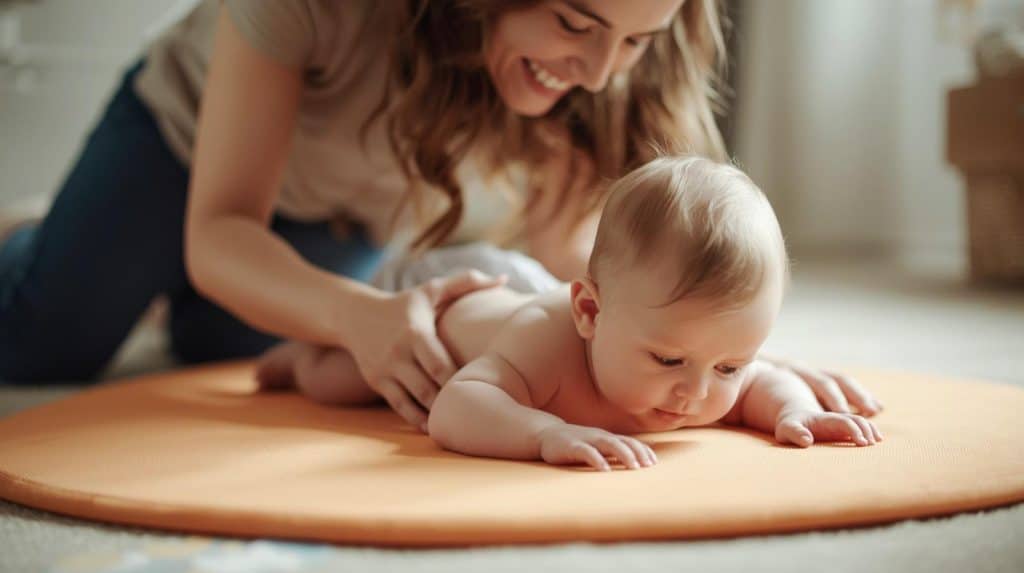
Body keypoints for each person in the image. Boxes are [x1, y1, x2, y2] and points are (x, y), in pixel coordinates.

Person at [0, 1, 879, 430]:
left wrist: (718, 354)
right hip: (189, 156)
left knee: (237, 349)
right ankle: (41, 236)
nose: (605, 70)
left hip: (343, 216)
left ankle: (164, 286)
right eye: (576, 20)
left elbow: (608, 268)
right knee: (48, 338)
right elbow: (221, 234)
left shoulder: (615, 45)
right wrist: (357, 313)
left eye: (638, 39)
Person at [255, 156, 883, 469]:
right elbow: (454, 407)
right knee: (344, 381)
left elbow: (763, 383)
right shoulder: (544, 344)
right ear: (589, 312)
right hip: (444, 297)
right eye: (668, 359)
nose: (696, 392)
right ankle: (294, 356)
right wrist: (543, 433)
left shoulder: (688, 354)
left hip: (531, 281)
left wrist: (796, 409)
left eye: (727, 366)